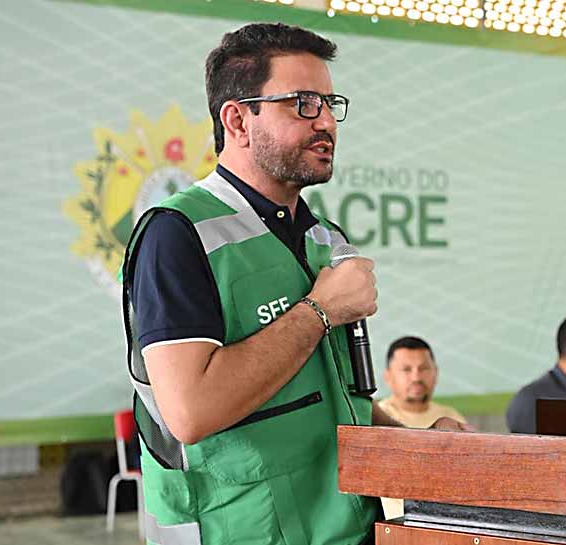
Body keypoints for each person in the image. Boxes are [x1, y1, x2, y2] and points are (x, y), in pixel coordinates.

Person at [121, 23, 465, 545]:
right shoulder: (177, 234)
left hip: (351, 526)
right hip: (240, 532)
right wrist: (319, 311)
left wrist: (417, 447)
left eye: (329, 104)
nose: (325, 121)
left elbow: (336, 396)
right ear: (238, 120)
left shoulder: (323, 236)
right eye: (302, 103)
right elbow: (191, 412)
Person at [377, 336, 470, 520]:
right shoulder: (378, 419)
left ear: (436, 373)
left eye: (424, 368)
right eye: (406, 370)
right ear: (388, 376)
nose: (416, 377)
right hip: (396, 523)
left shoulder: (451, 417)